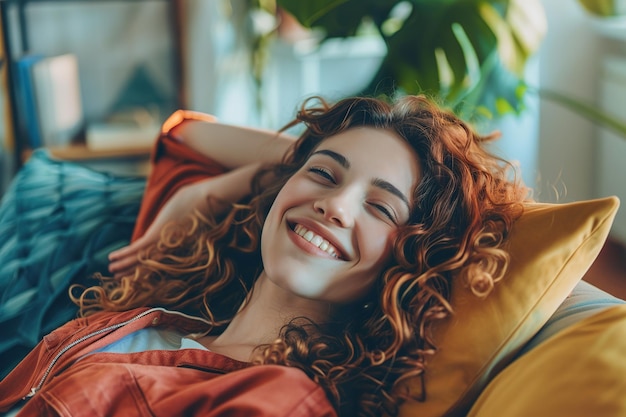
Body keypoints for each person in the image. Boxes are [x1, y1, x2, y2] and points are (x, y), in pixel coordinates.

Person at [0, 95, 528, 417]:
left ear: (407, 261)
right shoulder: (157, 310)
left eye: (380, 208)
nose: (335, 205)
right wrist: (231, 186)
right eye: (324, 173)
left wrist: (303, 172)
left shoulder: (280, 401)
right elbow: (185, 135)